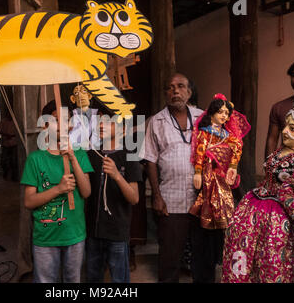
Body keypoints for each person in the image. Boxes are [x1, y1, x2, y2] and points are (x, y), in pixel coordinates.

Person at [222, 95, 294, 283]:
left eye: (293, 129)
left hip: (277, 215)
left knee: (271, 258)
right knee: (246, 254)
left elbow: (290, 192)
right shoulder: (278, 153)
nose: (285, 132)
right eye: (286, 126)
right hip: (256, 206)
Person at [21, 100, 93, 283]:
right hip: (45, 238)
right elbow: (29, 202)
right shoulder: (35, 159)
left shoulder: (80, 153)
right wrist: (58, 189)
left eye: (66, 119)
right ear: (45, 124)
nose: (61, 124)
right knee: (46, 280)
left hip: (74, 234)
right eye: (55, 119)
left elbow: (86, 192)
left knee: (72, 280)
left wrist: (73, 159)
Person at [143, 73, 205, 282]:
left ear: (189, 92)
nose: (175, 91)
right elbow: (150, 160)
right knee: (170, 257)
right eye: (170, 87)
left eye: (180, 86)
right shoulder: (156, 121)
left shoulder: (203, 118)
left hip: (202, 198)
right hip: (171, 199)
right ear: (165, 94)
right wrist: (156, 196)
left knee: (203, 257)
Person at [85, 108, 142, 283]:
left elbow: (134, 198)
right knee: (93, 278)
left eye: (108, 122)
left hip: (117, 232)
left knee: (119, 279)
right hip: (92, 231)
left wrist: (117, 175)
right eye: (99, 121)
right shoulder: (91, 154)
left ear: (123, 130)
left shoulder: (130, 156)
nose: (101, 125)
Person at [189, 94, 250, 229]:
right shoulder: (204, 133)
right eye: (220, 112)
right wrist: (198, 172)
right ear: (212, 113)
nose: (223, 115)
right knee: (210, 200)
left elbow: (237, 148)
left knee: (225, 200)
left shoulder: (227, 135)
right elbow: (200, 152)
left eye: (226, 113)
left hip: (223, 173)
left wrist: (233, 166)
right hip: (210, 172)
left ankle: (223, 225)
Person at [68, 84, 100, 150]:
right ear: (73, 99)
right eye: (76, 93)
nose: (80, 95)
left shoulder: (98, 114)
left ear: (89, 95)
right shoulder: (70, 116)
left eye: (84, 91)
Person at [0, 113, 19, 181]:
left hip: (14, 143)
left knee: (14, 160)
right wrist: (6, 134)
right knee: (4, 160)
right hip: (6, 143)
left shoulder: (16, 121)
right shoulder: (3, 121)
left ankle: (14, 176)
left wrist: (12, 135)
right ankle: (5, 173)